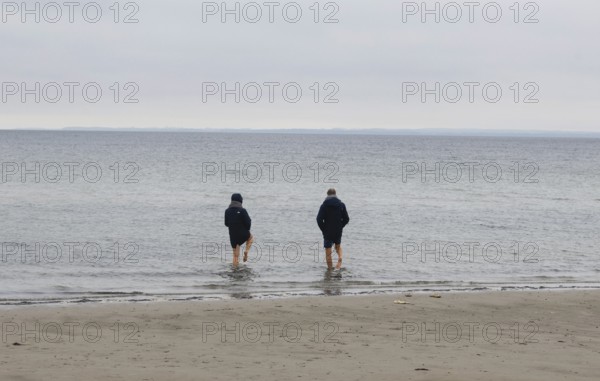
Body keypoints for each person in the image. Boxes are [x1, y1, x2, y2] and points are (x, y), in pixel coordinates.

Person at [316, 188, 350, 270]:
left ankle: (330, 270)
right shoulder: (341, 205)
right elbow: (347, 219)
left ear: (327, 195)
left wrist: (323, 229)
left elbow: (319, 219)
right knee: (338, 247)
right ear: (335, 194)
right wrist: (340, 226)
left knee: (328, 252)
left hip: (328, 231)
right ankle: (340, 258)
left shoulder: (324, 206)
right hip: (338, 230)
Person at [224, 193, 253, 267]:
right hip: (243, 234)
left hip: (233, 236)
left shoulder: (227, 211)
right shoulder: (242, 210)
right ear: (240, 201)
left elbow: (226, 224)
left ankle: (235, 270)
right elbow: (248, 223)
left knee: (235, 255)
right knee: (251, 237)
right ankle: (246, 251)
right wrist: (245, 229)